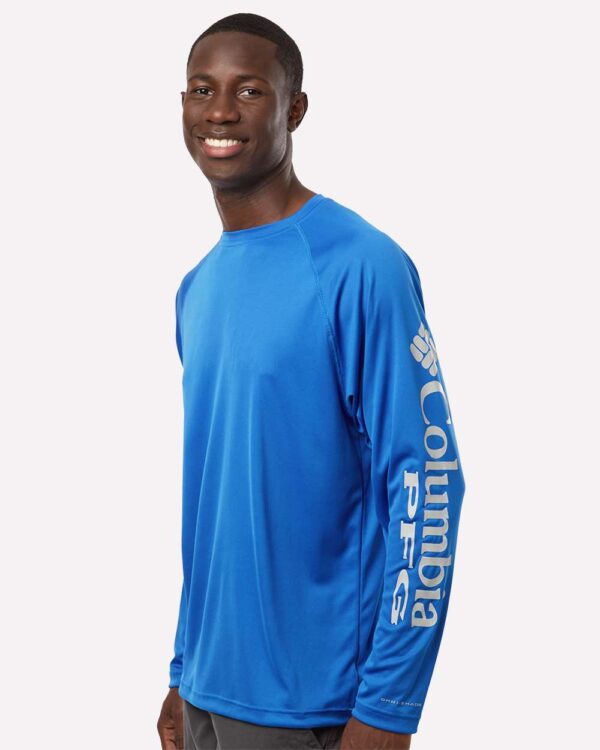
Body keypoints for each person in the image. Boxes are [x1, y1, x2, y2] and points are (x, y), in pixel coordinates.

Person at [157, 12, 466, 750]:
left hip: (314, 706)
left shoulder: (359, 266)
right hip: (207, 694)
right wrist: (183, 667)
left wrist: (388, 705)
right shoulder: (197, 288)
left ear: (294, 110)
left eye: (249, 90)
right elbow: (217, 501)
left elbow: (428, 481)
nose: (220, 111)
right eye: (202, 89)